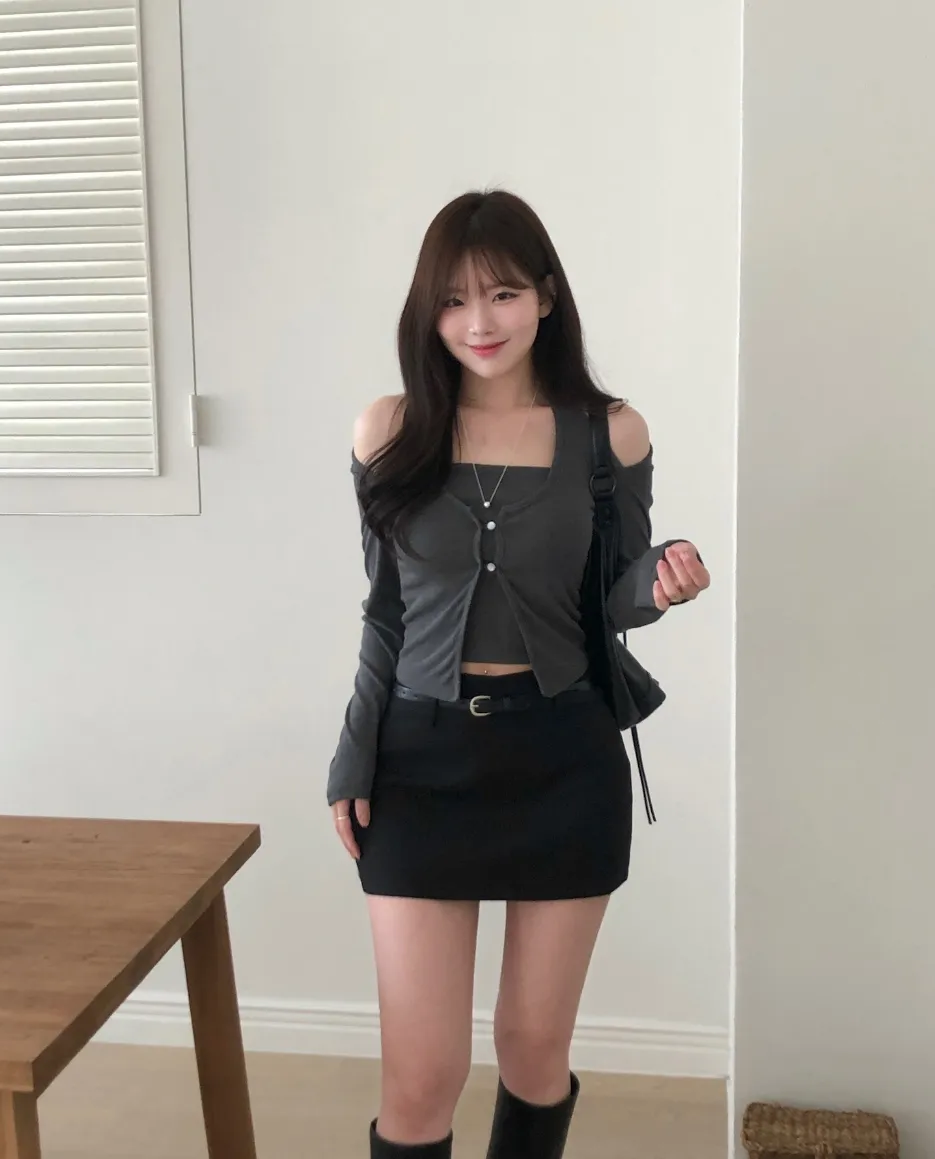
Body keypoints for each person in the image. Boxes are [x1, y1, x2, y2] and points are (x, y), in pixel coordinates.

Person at [327, 189, 710, 1158]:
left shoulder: (609, 434)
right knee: (422, 1075)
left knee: (533, 1050)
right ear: (427, 312)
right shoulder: (388, 429)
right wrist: (353, 756)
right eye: (453, 300)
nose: (479, 321)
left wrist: (660, 581)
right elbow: (384, 610)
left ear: (544, 294)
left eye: (501, 293)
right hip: (419, 763)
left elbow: (611, 596)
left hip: (562, 758)